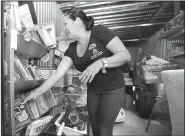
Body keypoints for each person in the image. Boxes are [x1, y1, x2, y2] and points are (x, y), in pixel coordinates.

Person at [23, 7, 131, 136]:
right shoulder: (72, 49)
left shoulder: (100, 32)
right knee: (95, 128)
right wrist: (35, 94)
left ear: (78, 22)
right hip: (93, 91)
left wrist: (100, 62)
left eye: (65, 24)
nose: (64, 29)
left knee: (104, 131)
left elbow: (125, 55)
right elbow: (57, 74)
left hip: (113, 88)